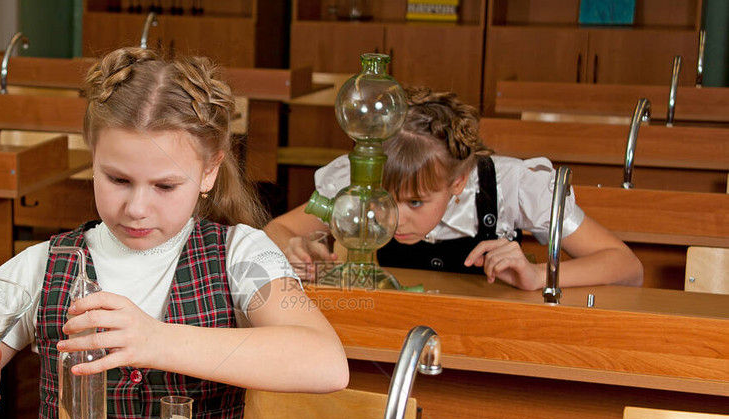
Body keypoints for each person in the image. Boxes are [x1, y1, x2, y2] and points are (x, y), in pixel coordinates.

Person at [0, 47, 349, 419]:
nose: (137, 208)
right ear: (92, 158)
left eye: (165, 186)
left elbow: (325, 363)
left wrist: (158, 340)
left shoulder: (244, 256)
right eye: (118, 179)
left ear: (209, 171)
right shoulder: (41, 267)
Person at [265, 88, 644, 291]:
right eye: (386, 198)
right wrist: (293, 247)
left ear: (458, 183)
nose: (396, 216)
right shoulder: (359, 175)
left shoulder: (512, 185)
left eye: (416, 201)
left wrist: (538, 275)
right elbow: (276, 230)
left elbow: (627, 267)